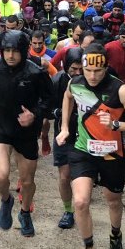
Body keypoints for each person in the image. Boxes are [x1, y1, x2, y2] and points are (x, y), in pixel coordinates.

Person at [55, 44, 125, 249]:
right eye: (88, 71)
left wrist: (117, 125)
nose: (93, 76)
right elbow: (67, 98)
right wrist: (65, 126)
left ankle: (115, 237)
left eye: (98, 71)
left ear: (106, 67)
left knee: (112, 200)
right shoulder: (74, 83)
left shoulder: (120, 89)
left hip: (112, 153)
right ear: (83, 68)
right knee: (80, 201)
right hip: (83, 150)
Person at [0, 30, 52, 237]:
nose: (10, 56)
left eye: (15, 51)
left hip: (25, 129)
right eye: (6, 50)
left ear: (23, 52)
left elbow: (49, 100)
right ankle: (6, 200)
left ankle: (25, 212)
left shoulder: (36, 72)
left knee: (26, 181)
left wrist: (34, 114)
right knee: (0, 176)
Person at [48, 47, 84, 230]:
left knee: (83, 176)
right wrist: (58, 112)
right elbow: (46, 106)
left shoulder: (92, 80)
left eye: (81, 69)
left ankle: (82, 205)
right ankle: (68, 210)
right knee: (64, 176)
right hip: (64, 134)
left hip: (87, 135)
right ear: (66, 66)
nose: (78, 73)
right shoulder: (57, 80)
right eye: (74, 69)